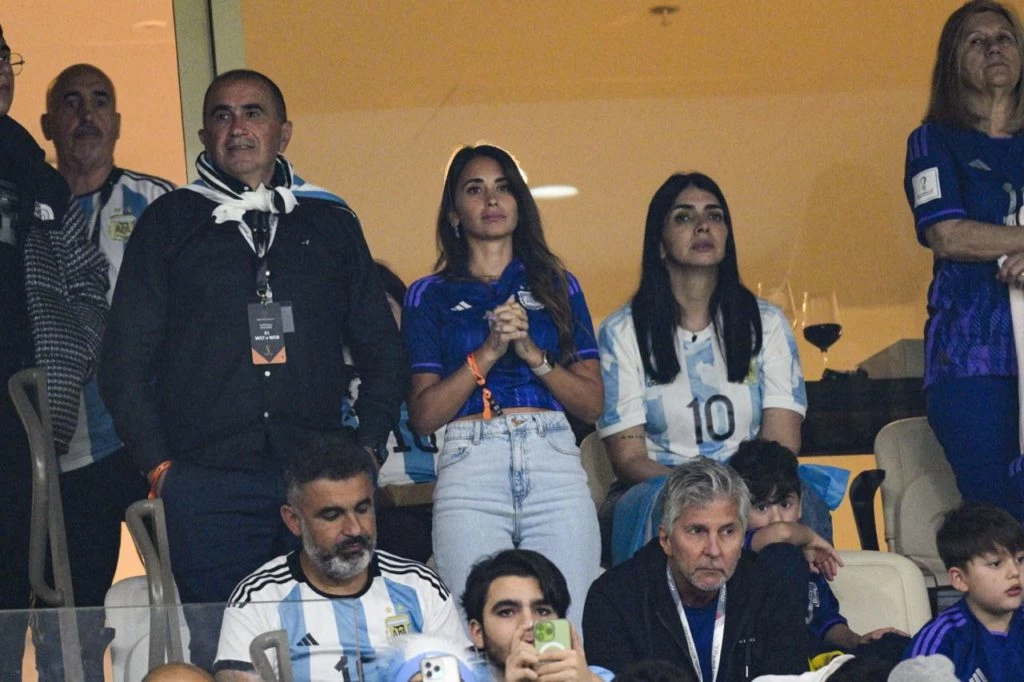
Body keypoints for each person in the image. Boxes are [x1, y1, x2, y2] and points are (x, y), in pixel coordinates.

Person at [99, 69, 407, 669]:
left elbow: (382, 348)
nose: (237, 127)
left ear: (283, 132)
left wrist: (367, 448)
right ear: (203, 133)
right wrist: (162, 467)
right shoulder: (169, 223)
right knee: (227, 656)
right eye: (222, 114)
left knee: (334, 645)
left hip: (317, 479)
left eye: (253, 113)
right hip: (206, 483)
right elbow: (123, 361)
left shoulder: (330, 222)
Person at [402, 144, 602, 628]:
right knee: (478, 627)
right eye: (475, 189)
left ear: (520, 203)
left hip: (552, 460)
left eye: (503, 187)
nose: (491, 200)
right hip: (471, 467)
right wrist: (490, 350)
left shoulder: (560, 283)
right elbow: (425, 416)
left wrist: (532, 353)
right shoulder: (428, 293)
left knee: (560, 625)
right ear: (454, 211)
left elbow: (593, 403)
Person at [30, 63, 175, 680]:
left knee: (178, 594)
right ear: (47, 125)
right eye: (71, 102)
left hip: (154, 438)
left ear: (117, 121)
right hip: (67, 448)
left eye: (99, 101)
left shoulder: (161, 203)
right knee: (69, 610)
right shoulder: (27, 211)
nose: (85, 114)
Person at [594, 171, 812, 564]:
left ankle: (809, 621)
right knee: (662, 510)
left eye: (715, 216)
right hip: (661, 485)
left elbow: (781, 442)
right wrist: (704, 497)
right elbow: (629, 460)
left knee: (801, 502)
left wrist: (734, 498)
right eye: (683, 217)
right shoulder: (622, 331)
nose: (702, 225)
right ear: (659, 244)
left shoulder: (767, 324)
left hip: (753, 486)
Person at [0, 24, 108, 679]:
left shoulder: (34, 175)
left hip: (23, 421)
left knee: (18, 587)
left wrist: (68, 352)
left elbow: (89, 283)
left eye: (2, 57)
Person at [213, 433, 466, 681]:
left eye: (363, 509)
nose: (354, 529)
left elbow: (459, 677)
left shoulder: (420, 586)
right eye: (332, 515)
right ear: (293, 520)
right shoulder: (257, 599)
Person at [904, 0, 1024, 520]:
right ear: (952, 63)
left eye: (1006, 37)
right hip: (974, 355)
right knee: (997, 515)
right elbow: (947, 234)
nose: (995, 46)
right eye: (976, 41)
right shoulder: (933, 141)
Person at [582, 457, 809, 680]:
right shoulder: (614, 598)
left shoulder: (772, 590)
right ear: (666, 539)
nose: (713, 550)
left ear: (742, 539)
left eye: (728, 532)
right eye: (697, 531)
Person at [728, 439, 910, 662]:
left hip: (811, 664)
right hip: (756, 665)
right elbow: (781, 533)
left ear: (801, 504)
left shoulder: (807, 563)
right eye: (761, 507)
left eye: (785, 504)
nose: (775, 519)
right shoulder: (737, 550)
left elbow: (826, 624)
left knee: (895, 651)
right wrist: (809, 536)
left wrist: (859, 641)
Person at [343, 262, 441, 563]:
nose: (375, 320)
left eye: (384, 307)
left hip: (454, 499)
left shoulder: (440, 378)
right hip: (388, 510)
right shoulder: (336, 388)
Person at [903, 502, 1024, 681]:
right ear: (959, 579)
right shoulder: (941, 641)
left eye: (1020, 559)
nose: (1014, 572)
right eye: (996, 564)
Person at [462, 549, 613, 682]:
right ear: (478, 633)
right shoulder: (455, 675)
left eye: (542, 611)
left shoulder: (594, 678)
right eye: (507, 612)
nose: (529, 623)